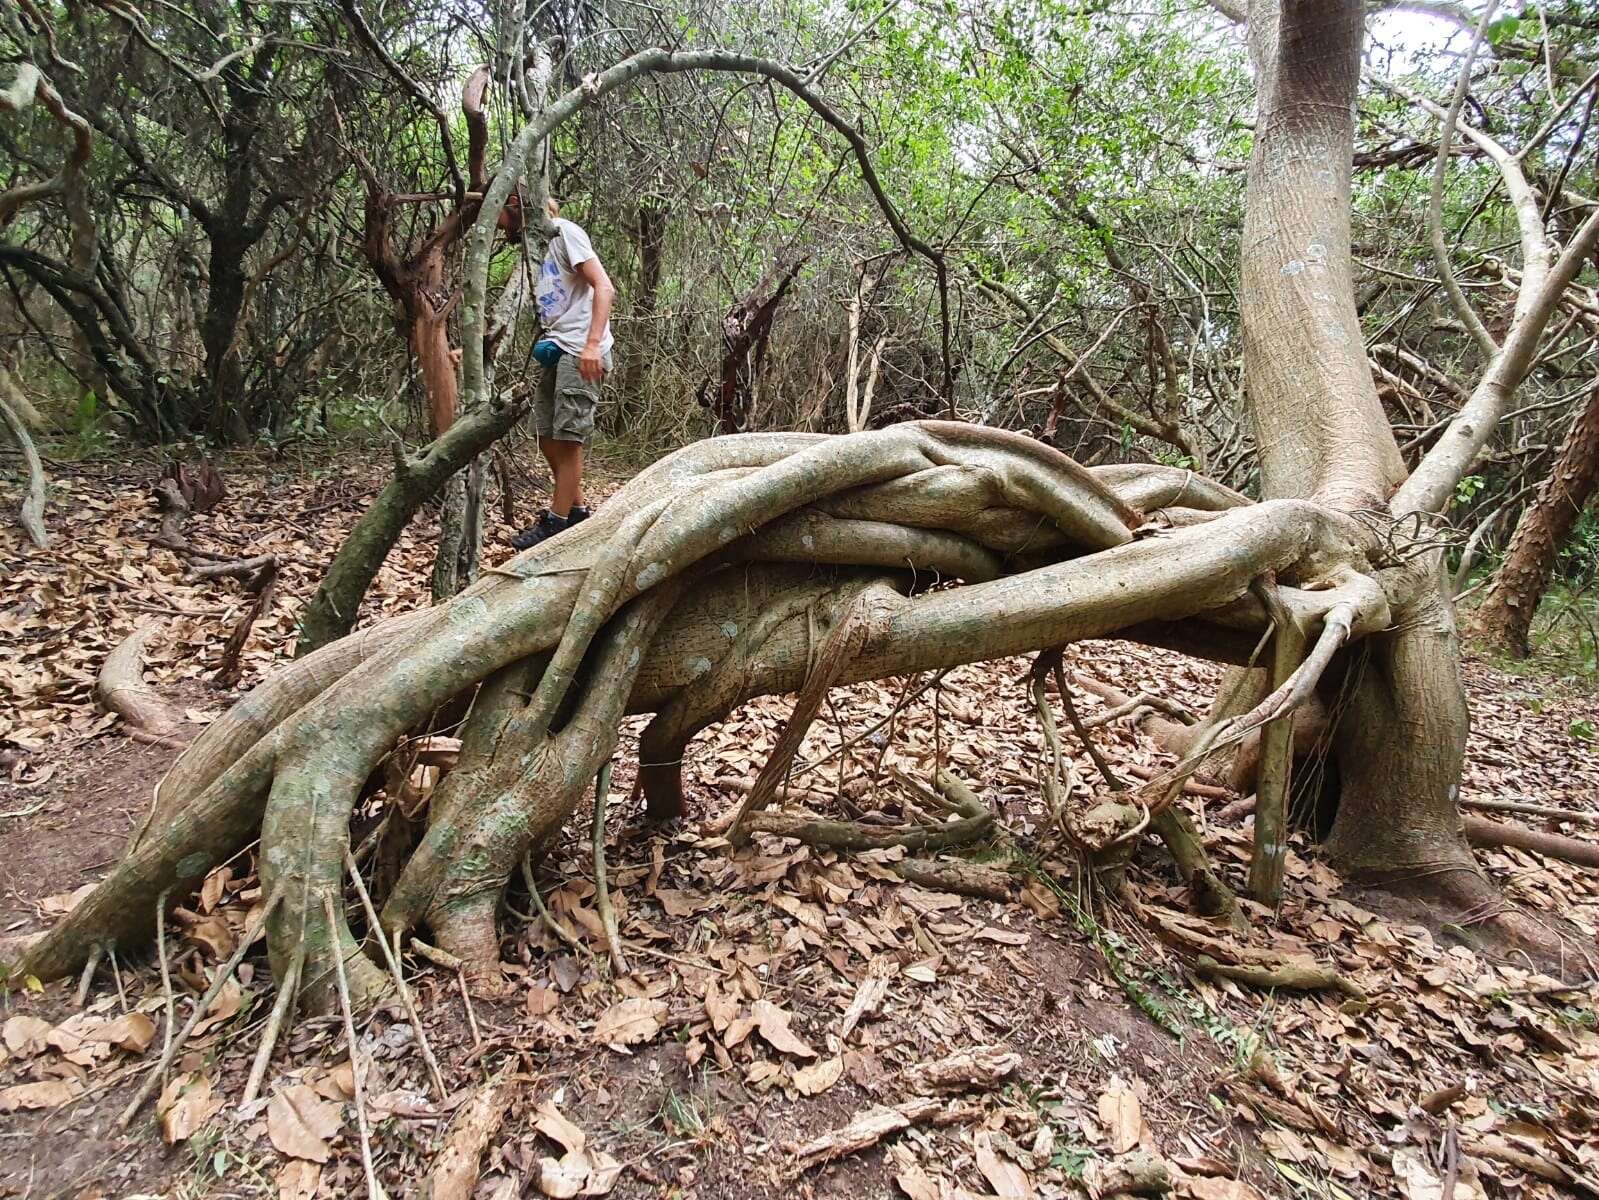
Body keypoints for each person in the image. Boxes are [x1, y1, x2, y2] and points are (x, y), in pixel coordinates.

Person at [510, 196, 615, 549]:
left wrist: (592, 345)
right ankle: (578, 512)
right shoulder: (532, 251)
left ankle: (557, 524)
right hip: (557, 349)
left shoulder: (564, 233)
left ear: (514, 204)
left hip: (581, 349)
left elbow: (604, 286)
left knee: (569, 440)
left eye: (499, 215)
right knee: (546, 436)